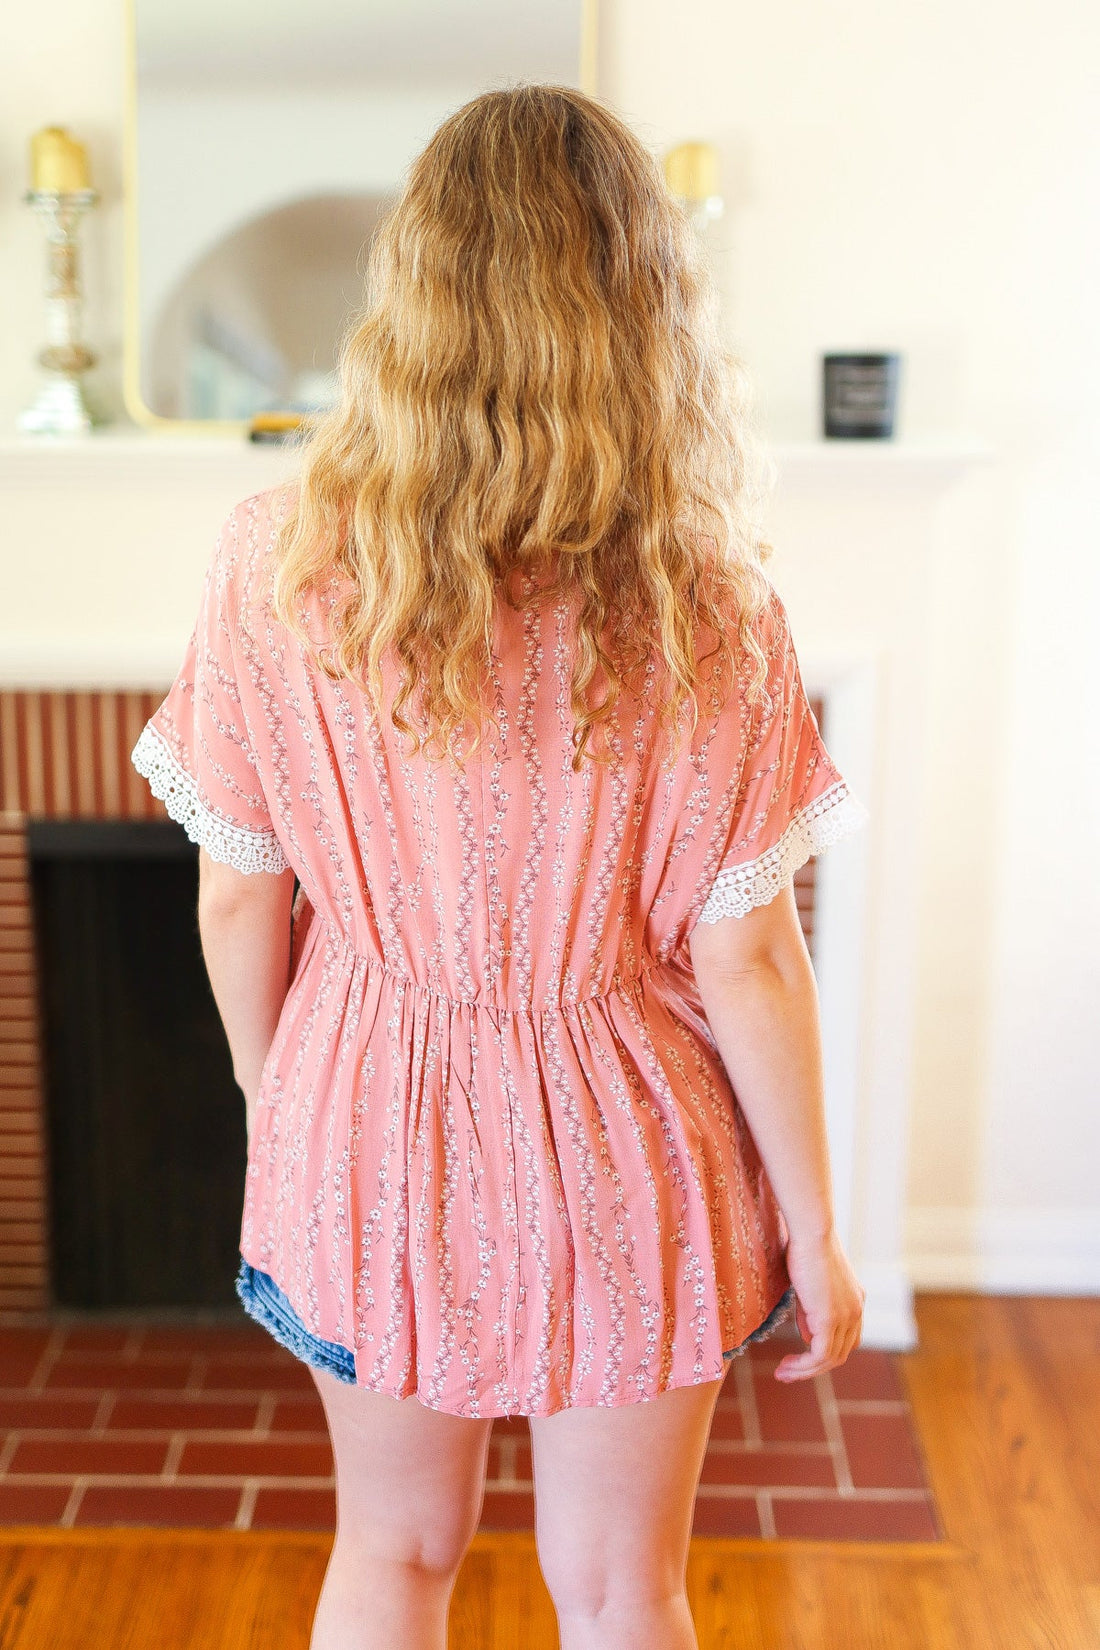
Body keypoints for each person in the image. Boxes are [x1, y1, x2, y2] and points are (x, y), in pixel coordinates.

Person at [131, 82, 867, 1650]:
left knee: (391, 1556)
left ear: (411, 290)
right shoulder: (709, 611)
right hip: (634, 1144)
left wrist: (289, 1102)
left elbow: (237, 890)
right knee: (620, 1588)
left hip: (368, 1114)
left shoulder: (274, 565)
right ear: (642, 310)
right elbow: (745, 955)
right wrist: (813, 1219)